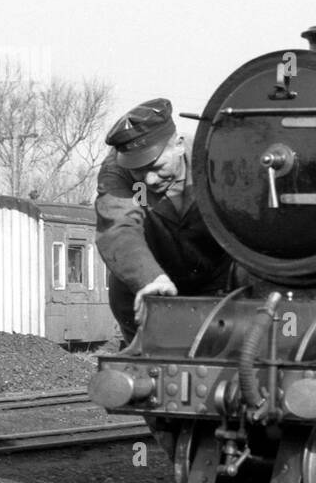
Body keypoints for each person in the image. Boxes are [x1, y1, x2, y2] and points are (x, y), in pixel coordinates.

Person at [95, 98, 234, 344]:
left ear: (179, 145)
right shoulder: (116, 172)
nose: (149, 180)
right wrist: (150, 279)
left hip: (220, 287)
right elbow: (119, 228)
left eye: (156, 166)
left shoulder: (217, 159)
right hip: (147, 293)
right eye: (139, 170)